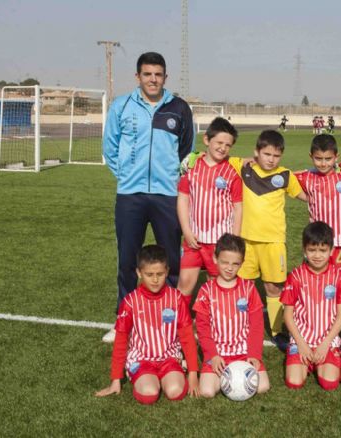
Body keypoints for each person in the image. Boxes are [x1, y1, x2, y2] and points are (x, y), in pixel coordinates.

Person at [102, 52, 194, 343]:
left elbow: (186, 148)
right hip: (131, 195)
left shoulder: (179, 108)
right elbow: (110, 147)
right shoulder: (122, 106)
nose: (152, 79)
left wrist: (168, 175)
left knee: (171, 262)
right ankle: (124, 322)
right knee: (128, 259)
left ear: (165, 77)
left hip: (168, 195)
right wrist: (128, 175)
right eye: (147, 74)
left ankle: (169, 322)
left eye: (158, 74)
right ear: (138, 76)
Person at [228, 130, 307, 349]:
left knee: (274, 287)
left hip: (273, 242)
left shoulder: (286, 176)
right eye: (266, 154)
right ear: (257, 152)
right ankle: (237, 327)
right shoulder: (242, 167)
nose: (271, 159)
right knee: (242, 286)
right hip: (246, 242)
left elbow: (306, 196)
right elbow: (220, 157)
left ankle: (276, 330)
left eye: (276, 155)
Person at [95, 245, 199, 404]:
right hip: (141, 359)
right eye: (149, 274)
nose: (155, 279)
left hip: (169, 358)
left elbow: (187, 336)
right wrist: (116, 379)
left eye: (160, 274)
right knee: (149, 394)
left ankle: (175, 371)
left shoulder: (176, 299)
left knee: (175, 392)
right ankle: (147, 377)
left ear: (167, 271)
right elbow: (121, 340)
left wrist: (193, 373)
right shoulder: (130, 302)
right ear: (139, 273)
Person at [193, 234, 270, 397]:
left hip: (243, 351)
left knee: (262, 387)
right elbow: (202, 327)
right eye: (225, 262)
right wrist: (212, 355)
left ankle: (233, 375)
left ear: (242, 263)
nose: (229, 268)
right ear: (215, 259)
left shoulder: (249, 288)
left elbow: (257, 325)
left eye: (235, 264)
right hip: (218, 353)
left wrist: (254, 355)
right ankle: (228, 375)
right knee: (207, 391)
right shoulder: (206, 291)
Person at [176, 117, 242, 303]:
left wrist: (234, 240)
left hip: (219, 243)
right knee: (185, 283)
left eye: (228, 145)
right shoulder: (191, 168)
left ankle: (215, 325)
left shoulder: (231, 173)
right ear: (207, 140)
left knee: (217, 284)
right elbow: (183, 200)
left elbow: (238, 208)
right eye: (219, 142)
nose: (223, 148)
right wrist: (187, 232)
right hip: (193, 240)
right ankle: (181, 327)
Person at [281, 221, 341, 391]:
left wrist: (325, 343)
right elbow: (288, 315)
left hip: (327, 340)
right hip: (301, 339)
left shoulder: (338, 277)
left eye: (322, 250)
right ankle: (301, 359)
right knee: (294, 382)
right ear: (304, 250)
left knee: (329, 383)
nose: (317, 255)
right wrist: (301, 344)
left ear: (331, 251)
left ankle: (323, 361)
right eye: (312, 250)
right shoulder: (295, 276)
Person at [295, 134, 341, 274]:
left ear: (336, 156)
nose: (323, 163)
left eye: (328, 159)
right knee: (315, 277)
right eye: (318, 158)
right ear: (311, 156)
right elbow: (286, 179)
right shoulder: (307, 177)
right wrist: (308, 198)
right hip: (316, 242)